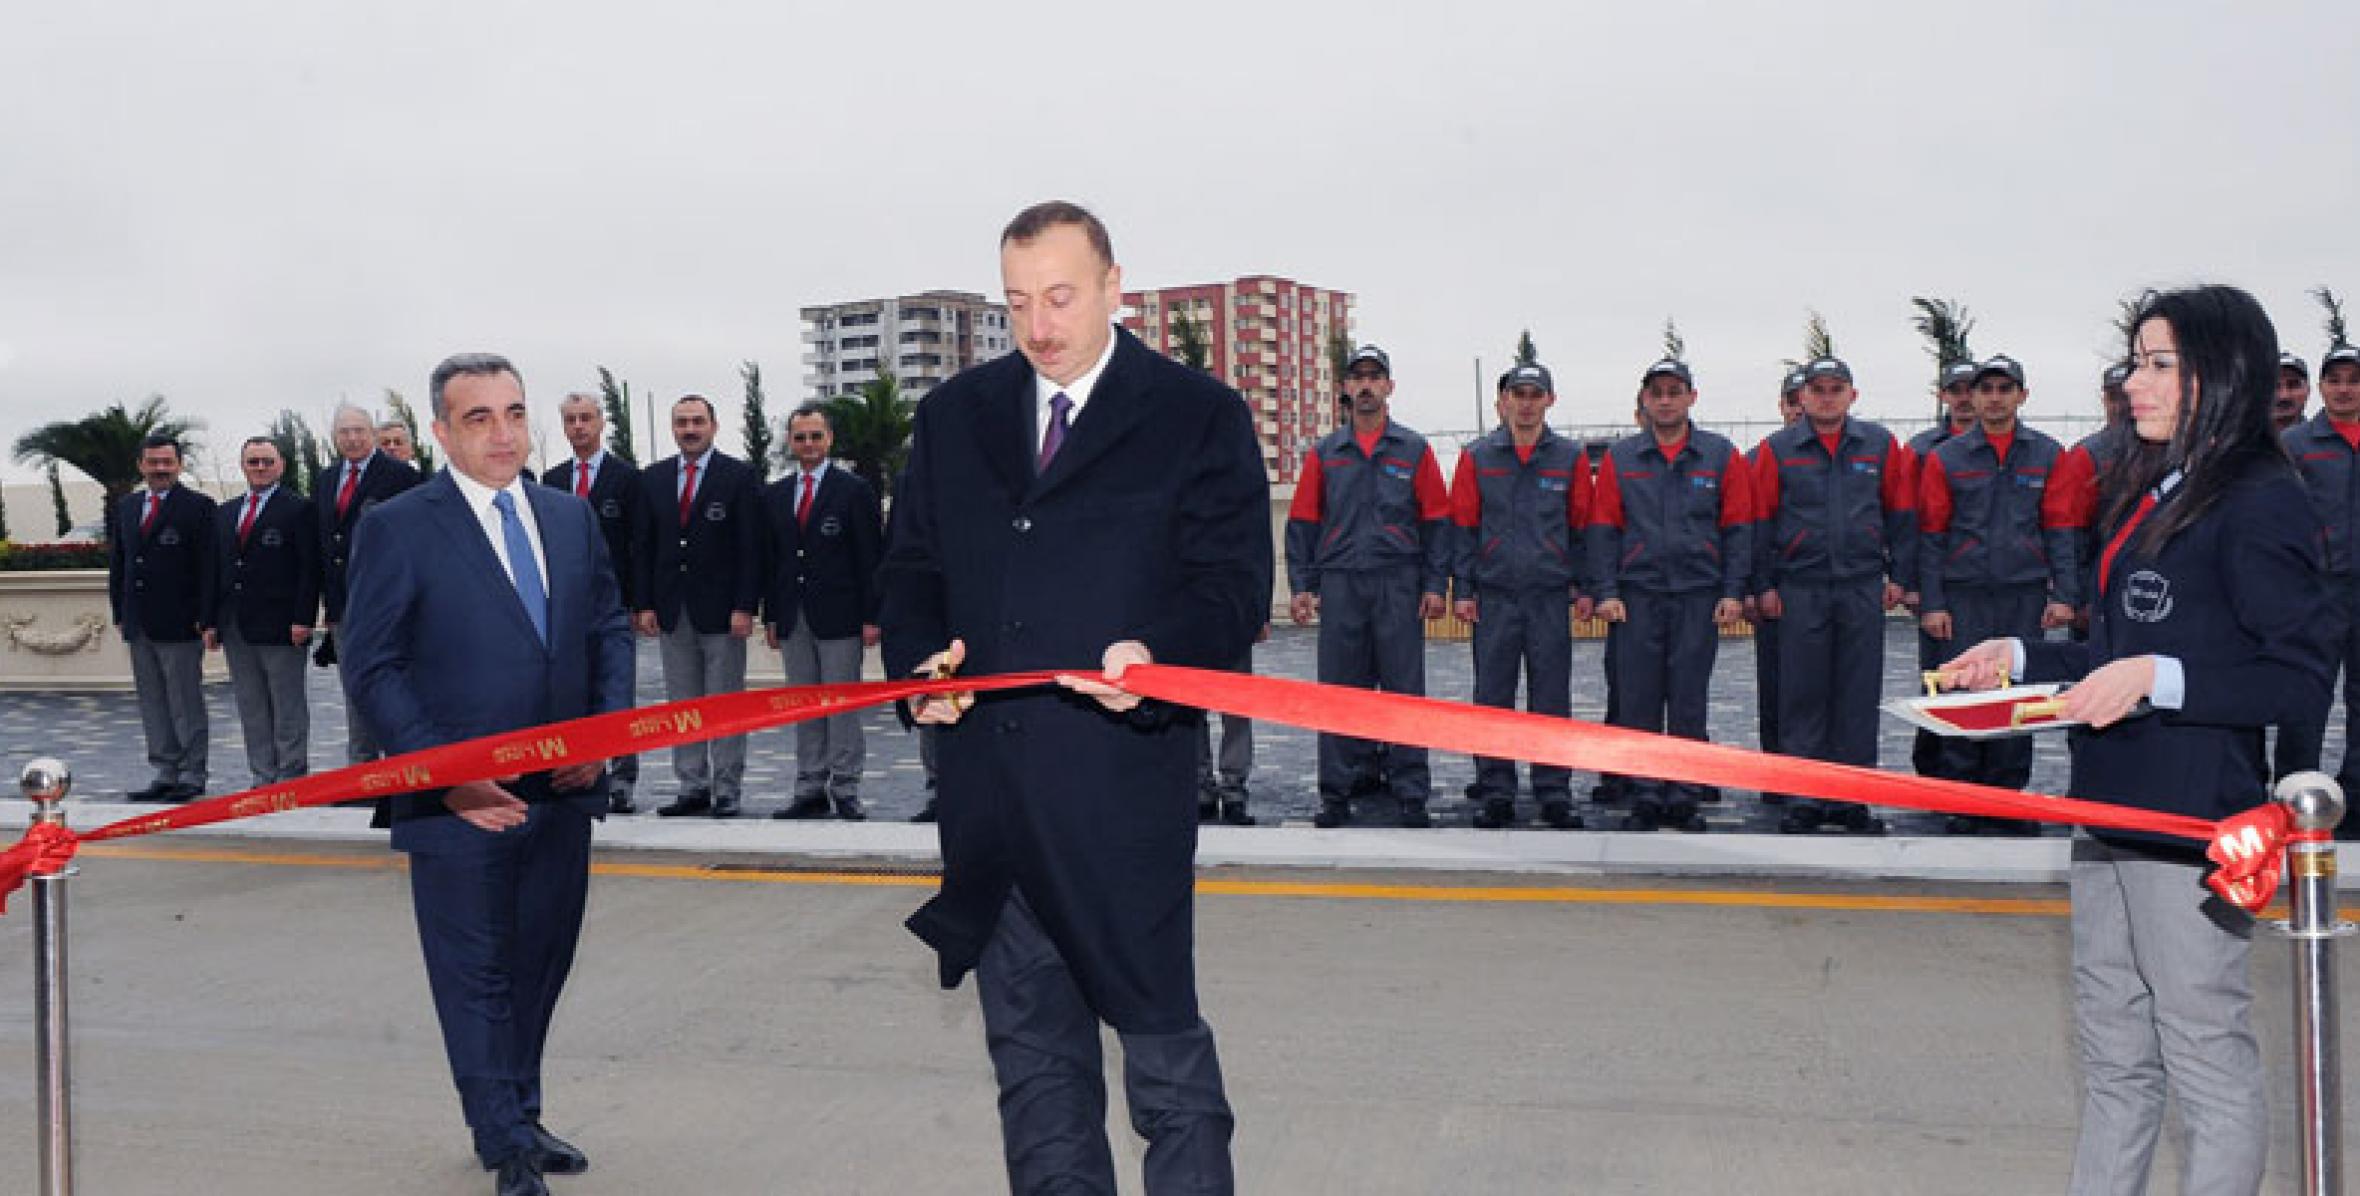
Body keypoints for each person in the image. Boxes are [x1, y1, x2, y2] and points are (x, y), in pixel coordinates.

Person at [877, 201, 1268, 1194]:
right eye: (1016, 304)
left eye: (1058, 297)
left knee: (1166, 1068)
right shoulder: (954, 416)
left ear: (1110, 286)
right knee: (1037, 1077)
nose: (1038, 325)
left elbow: (1232, 591)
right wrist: (922, 669)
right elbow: (913, 568)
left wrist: (1156, 654)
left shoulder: (1194, 414)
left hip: (1116, 804)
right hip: (988, 805)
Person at [1940, 285, 2329, 1195]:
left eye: (2159, 364)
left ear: (2220, 376)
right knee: (2115, 1056)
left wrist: (2164, 682)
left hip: (2193, 822)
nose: (2133, 383)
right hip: (2107, 809)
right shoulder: (2159, 487)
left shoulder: (2263, 498)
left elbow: (2299, 675)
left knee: (2205, 1057)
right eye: (2135, 363)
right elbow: (2119, 651)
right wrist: (2021, 655)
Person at [341, 353, 633, 1196]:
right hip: (458, 807)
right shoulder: (398, 527)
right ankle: (500, 1140)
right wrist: (448, 778)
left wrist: (602, 738)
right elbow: (375, 667)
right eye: (479, 418)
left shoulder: (568, 517)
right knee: (477, 976)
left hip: (564, 793)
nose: (503, 433)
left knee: (541, 965)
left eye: (513, 413)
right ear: (441, 431)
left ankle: (523, 1112)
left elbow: (608, 628)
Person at [1915, 356, 2088, 834]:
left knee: (2021, 693)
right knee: (1964, 689)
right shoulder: (1946, 458)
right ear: (1970, 397)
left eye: (2004, 388)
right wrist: (1933, 602)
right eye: (1985, 389)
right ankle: (1963, 799)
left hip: (2024, 593)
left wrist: (2065, 594)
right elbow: (1931, 534)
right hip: (1963, 592)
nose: (1994, 397)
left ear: (2022, 396)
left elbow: (2060, 528)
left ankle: (2008, 797)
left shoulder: (2049, 455)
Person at [1285, 343, 1452, 828]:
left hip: (1397, 583)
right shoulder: (1325, 454)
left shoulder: (1414, 450)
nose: (1365, 386)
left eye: (1374, 378)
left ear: (1389, 388)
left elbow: (1437, 522)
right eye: (1357, 378)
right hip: (1341, 586)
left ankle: (1410, 792)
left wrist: (1434, 583)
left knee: (1404, 692)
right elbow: (1303, 524)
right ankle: (1336, 792)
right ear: (1344, 389)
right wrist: (1302, 584)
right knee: (1338, 692)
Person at [1751, 356, 1915, 835]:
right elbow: (1759, 522)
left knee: (1857, 694)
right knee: (1803, 696)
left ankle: (1852, 797)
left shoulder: (1879, 446)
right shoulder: (1777, 450)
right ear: (1800, 398)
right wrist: (1763, 585)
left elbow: (1901, 515)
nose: (1826, 397)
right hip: (1799, 588)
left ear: (1852, 395)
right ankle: (1804, 796)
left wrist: (1900, 576)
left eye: (1835, 389)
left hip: (1861, 585)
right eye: (1817, 389)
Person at [1587, 358, 1752, 832]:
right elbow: (1603, 529)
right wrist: (1606, 591)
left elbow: (1738, 527)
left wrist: (1733, 591)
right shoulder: (1622, 459)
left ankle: (1683, 792)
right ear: (1644, 400)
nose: (1665, 400)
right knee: (1638, 700)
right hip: (1637, 597)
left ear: (1691, 398)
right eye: (1656, 392)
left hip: (1698, 595)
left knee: (1688, 699)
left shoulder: (1720, 456)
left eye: (1674, 391)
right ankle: (1644, 792)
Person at [1447, 362, 1590, 829]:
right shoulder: (1477, 457)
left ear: (1550, 400)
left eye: (1535, 394)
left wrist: (1585, 588)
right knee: (1492, 697)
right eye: (1518, 394)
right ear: (1504, 400)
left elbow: (1583, 530)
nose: (1526, 403)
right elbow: (1463, 529)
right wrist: (1463, 591)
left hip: (1548, 596)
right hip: (1494, 596)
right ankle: (1495, 789)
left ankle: (1553, 789)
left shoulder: (1569, 458)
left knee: (1551, 697)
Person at [633, 395, 762, 818]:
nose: (690, 429)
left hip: (723, 611)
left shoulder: (738, 477)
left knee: (725, 702)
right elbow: (644, 546)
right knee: (682, 704)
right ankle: (692, 785)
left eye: (697, 421)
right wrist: (645, 603)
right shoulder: (652, 479)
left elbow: (750, 547)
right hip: (673, 609)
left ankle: (727, 788)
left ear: (714, 425)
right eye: (682, 422)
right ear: (673, 428)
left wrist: (745, 605)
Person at [762, 403, 883, 821]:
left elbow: (870, 558)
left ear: (829, 439)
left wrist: (872, 617)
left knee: (841, 706)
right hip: (794, 619)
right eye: (800, 437)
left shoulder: (854, 491)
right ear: (791, 442)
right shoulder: (776, 494)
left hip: (841, 618)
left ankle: (846, 787)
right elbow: (772, 560)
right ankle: (809, 787)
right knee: (803, 706)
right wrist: (772, 616)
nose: (808, 444)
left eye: (815, 436)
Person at [543, 392, 645, 814]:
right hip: (564, 609)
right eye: (570, 419)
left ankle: (621, 776)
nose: (579, 426)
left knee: (616, 690)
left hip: (613, 604)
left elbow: (639, 544)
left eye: (586, 418)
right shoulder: (550, 480)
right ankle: (572, 770)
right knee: (571, 693)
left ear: (602, 423)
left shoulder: (626, 479)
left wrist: (640, 602)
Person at [2274, 339, 2360, 820]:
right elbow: (2278, 518)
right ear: (2321, 387)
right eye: (2335, 380)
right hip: (2317, 592)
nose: (2344, 389)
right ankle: (2291, 795)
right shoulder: (2295, 446)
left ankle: (2359, 799)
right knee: (2306, 698)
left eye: (2353, 380)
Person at [109, 433, 218, 802]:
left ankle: (192, 773)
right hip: (139, 623)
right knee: (153, 701)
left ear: (179, 464)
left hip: (181, 623)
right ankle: (165, 771)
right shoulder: (127, 507)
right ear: (141, 465)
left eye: (166, 462)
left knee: (185, 702)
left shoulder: (200, 507)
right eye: (152, 462)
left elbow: (208, 568)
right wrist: (120, 612)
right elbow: (120, 563)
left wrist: (206, 617)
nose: (160, 469)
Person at [206, 437, 320, 785]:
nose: (260, 468)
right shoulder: (225, 513)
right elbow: (214, 569)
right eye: (253, 461)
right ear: (243, 466)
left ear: (281, 466)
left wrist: (303, 618)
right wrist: (210, 620)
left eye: (267, 461)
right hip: (237, 625)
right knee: (252, 706)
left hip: (282, 625)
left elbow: (309, 569)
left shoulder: (298, 509)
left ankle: (291, 776)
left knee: (287, 706)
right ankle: (262, 776)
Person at [317, 402, 422, 764]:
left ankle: (402, 765)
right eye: (344, 432)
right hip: (345, 606)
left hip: (390, 604)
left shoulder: (401, 477)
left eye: (359, 430)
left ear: (372, 434)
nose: (352, 438)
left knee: (396, 685)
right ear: (335, 437)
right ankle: (361, 768)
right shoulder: (326, 480)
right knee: (354, 687)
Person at [1906, 360, 1982, 780]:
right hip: (1938, 583)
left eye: (1972, 389)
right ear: (1944, 395)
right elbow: (1914, 524)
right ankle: (1933, 764)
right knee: (1938, 678)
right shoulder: (1923, 450)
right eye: (1957, 390)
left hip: (1983, 578)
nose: (1965, 398)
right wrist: (1916, 585)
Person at [1747, 369, 1806, 774]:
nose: (1801, 408)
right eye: (1793, 400)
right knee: (1778, 684)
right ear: (1781, 406)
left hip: (1825, 585)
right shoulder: (1759, 457)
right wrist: (1753, 587)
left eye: (1809, 397)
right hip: (1777, 589)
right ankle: (1777, 769)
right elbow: (1747, 530)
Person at [1194, 623, 1266, 827]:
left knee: (1236, 711)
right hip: (1191, 616)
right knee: (1191, 708)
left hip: (1236, 617)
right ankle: (1201, 788)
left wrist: (1261, 615)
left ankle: (1233, 792)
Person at [2275, 351, 2310, 433]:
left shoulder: (2327, 443)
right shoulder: (2243, 441)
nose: (2284, 396)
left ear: (2307, 391)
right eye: (2275, 387)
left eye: (2293, 385)